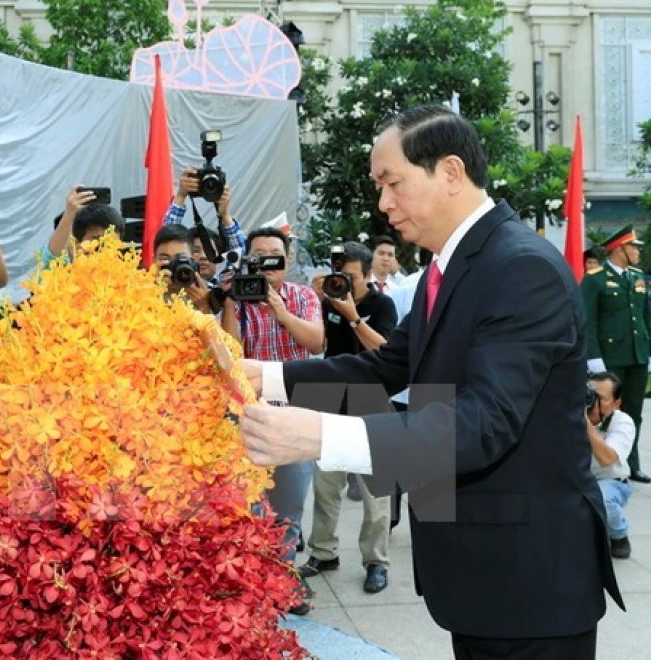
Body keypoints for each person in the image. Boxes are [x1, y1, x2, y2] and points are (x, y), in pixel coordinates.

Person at [238, 105, 623, 657]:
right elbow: (382, 370)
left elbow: (483, 424)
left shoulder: (520, 268)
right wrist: (265, 377)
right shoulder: (453, 266)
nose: (382, 204)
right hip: (479, 573)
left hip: (527, 582)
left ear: (449, 171)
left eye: (392, 183)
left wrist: (320, 437)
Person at [223, 225, 323, 616]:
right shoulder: (238, 300)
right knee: (250, 508)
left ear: (288, 260)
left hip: (296, 417)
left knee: (289, 508)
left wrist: (278, 308)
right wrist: (231, 303)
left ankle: (282, 580)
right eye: (257, 257)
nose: (265, 266)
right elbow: (230, 356)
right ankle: (253, 582)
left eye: (273, 258)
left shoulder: (302, 297)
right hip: (249, 419)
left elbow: (317, 343)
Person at [302, 242, 396, 594]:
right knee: (326, 486)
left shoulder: (382, 304)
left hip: (371, 397)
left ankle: (375, 561)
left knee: (376, 492)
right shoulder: (327, 299)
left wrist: (353, 315)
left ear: (368, 275)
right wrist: (315, 302)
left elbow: (384, 351)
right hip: (331, 394)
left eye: (352, 277)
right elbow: (316, 344)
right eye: (339, 275)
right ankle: (323, 552)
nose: (343, 282)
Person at [580, 225, 651, 483]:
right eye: (634, 247)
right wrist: (594, 358)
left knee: (633, 411)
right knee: (602, 412)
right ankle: (598, 462)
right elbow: (586, 321)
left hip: (637, 355)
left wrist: (648, 350)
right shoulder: (595, 278)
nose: (638, 252)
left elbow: (645, 317)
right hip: (609, 358)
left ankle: (631, 464)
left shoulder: (637, 276)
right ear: (619, 248)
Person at [586, 372, 635, 559]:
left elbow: (607, 459)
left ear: (616, 403)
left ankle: (619, 534)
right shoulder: (567, 414)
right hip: (576, 478)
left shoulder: (622, 422)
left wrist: (585, 423)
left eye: (601, 398)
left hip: (611, 482)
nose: (592, 401)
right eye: (590, 395)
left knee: (601, 498)